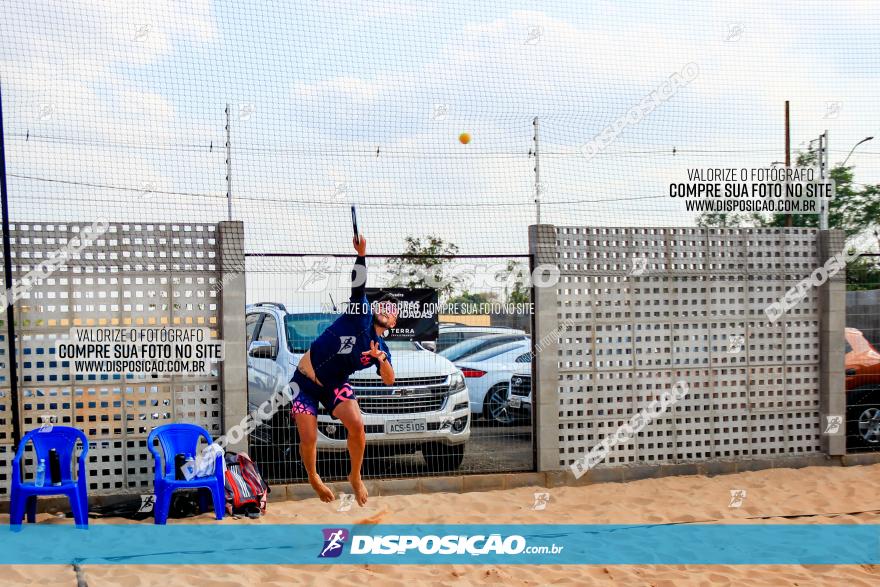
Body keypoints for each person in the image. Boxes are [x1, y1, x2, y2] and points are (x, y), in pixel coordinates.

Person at [289, 234, 396, 506]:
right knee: (309, 436)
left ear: (393, 323)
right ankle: (313, 477)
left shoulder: (381, 347)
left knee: (357, 425)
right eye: (384, 304)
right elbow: (358, 283)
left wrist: (380, 360)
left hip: (335, 383)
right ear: (376, 309)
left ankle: (355, 476)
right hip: (304, 382)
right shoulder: (360, 312)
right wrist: (362, 255)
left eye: (393, 310)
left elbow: (389, 380)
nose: (387, 309)